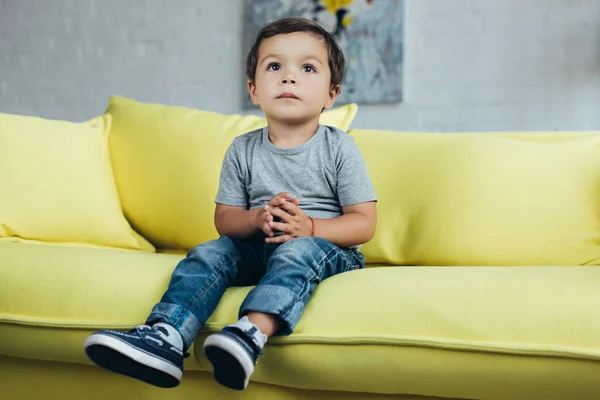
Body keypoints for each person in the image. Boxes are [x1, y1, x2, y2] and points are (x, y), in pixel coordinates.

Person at [83, 17, 377, 391]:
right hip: (259, 245)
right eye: (275, 66)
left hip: (326, 249)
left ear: (331, 95)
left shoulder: (339, 147)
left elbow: (364, 222)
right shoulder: (243, 149)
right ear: (254, 90)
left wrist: (311, 228)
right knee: (209, 253)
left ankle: (250, 333)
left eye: (306, 68)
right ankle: (166, 338)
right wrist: (257, 219)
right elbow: (225, 220)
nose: (289, 77)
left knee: (297, 251)